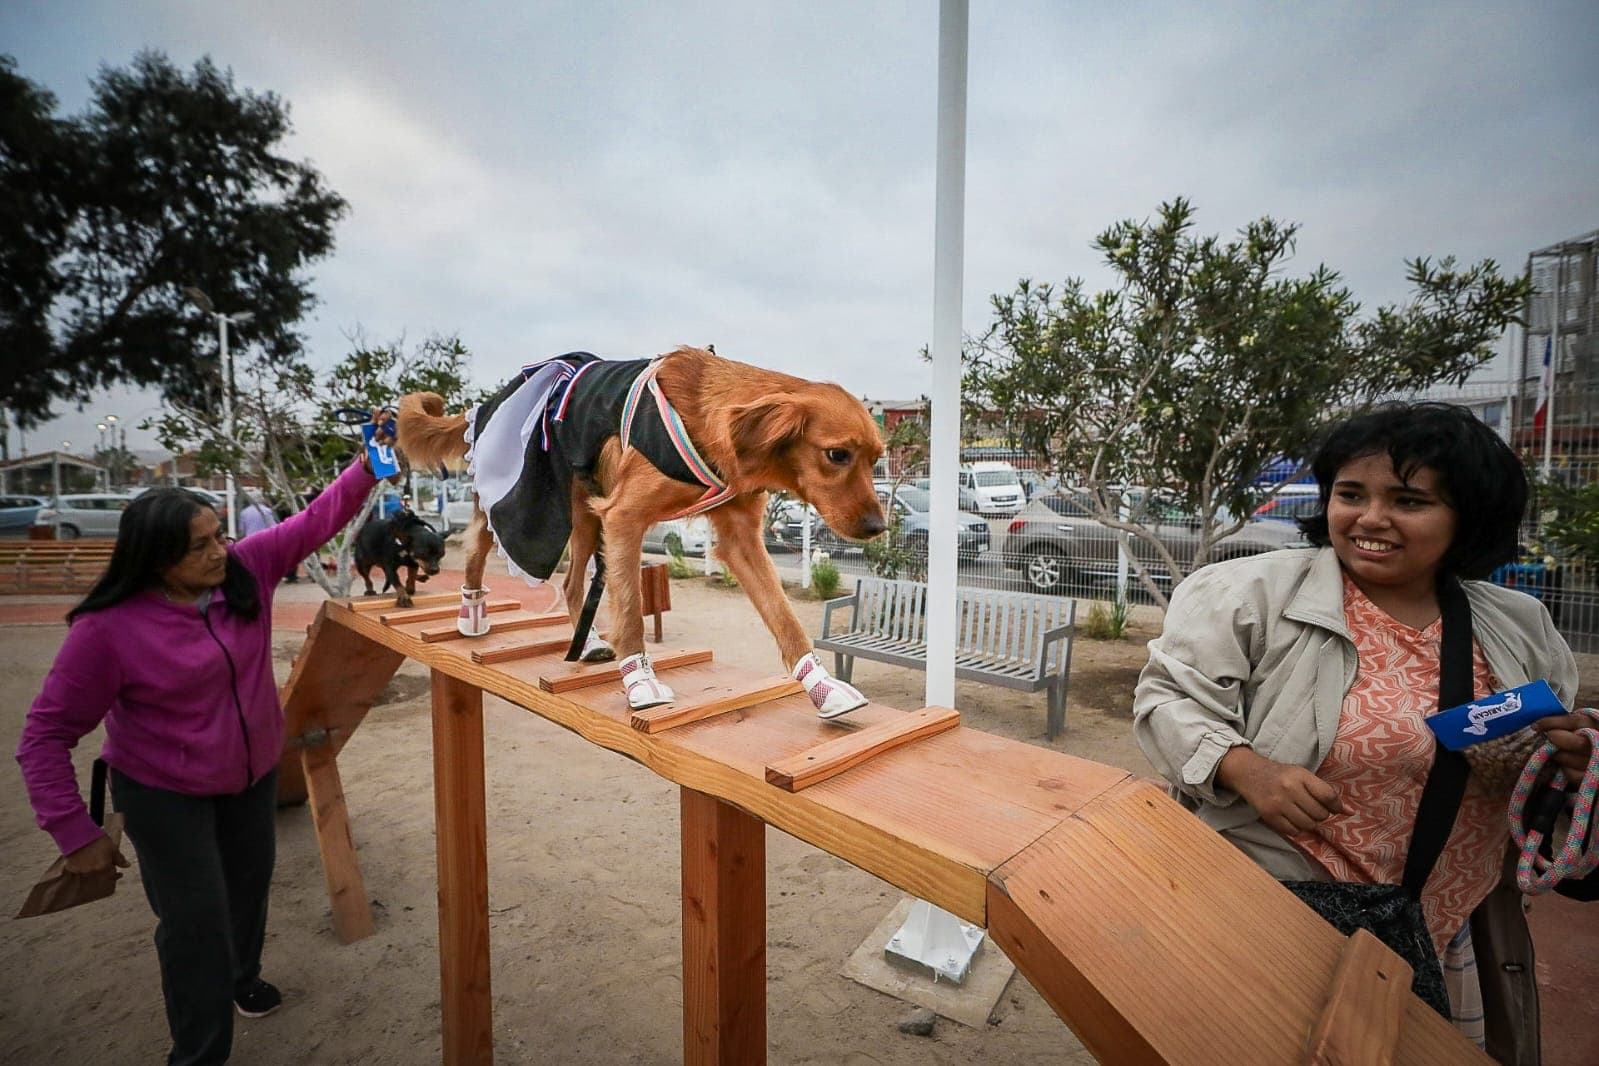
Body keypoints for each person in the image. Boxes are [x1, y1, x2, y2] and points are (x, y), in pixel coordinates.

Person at [1132, 402, 1593, 1060]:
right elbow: (1166, 699)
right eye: (1350, 494)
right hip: (1282, 907)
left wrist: (1566, 762)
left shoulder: (1516, 623)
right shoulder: (1249, 593)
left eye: (1407, 500)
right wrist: (1244, 768)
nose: (1368, 518)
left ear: (1466, 516)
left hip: (1445, 915)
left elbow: (1542, 757)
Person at [16, 432, 391, 1065]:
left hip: (249, 778)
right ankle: (198, 1055)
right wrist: (73, 832)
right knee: (194, 928)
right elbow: (44, 737)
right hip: (163, 793)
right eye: (202, 546)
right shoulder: (107, 630)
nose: (223, 550)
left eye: (220, 534)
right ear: (157, 559)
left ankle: (242, 978)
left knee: (248, 890)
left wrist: (368, 466)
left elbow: (316, 520)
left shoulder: (247, 569)